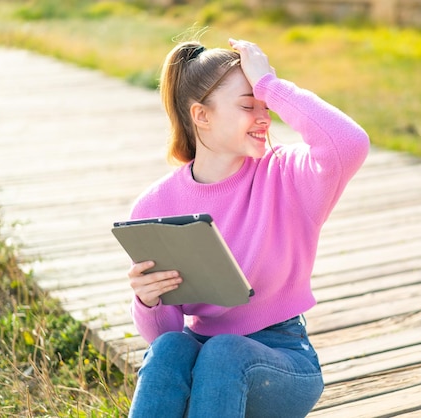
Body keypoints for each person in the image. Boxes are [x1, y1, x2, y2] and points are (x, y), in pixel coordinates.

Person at [125, 37, 370, 417]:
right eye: (247, 105)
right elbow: (165, 335)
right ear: (201, 116)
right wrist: (148, 300)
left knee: (225, 351)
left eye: (266, 106)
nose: (263, 117)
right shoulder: (154, 206)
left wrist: (269, 84)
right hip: (199, 352)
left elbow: (349, 142)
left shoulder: (288, 176)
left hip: (283, 359)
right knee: (170, 349)